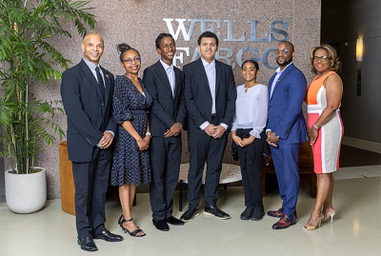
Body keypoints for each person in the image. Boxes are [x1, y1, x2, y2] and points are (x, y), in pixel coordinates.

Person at [61, 33, 123, 252]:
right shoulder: (71, 75)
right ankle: (84, 234)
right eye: (91, 45)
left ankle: (99, 227)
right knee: (83, 193)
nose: (95, 49)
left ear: (103, 48)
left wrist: (110, 132)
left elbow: (112, 110)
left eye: (99, 45)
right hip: (85, 144)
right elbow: (74, 112)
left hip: (105, 143)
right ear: (82, 47)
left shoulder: (108, 76)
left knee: (99, 190)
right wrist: (98, 138)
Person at [180, 31, 237, 222]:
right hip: (199, 128)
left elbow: (231, 99)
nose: (208, 47)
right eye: (205, 44)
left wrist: (223, 125)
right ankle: (193, 206)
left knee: (214, 168)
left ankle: (211, 205)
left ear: (217, 47)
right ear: (199, 47)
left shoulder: (225, 69)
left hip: (220, 125)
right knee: (195, 167)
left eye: (212, 44)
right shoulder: (189, 69)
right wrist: (205, 125)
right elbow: (188, 99)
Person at [143, 33, 186, 231]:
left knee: (171, 175)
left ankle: (168, 213)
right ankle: (158, 215)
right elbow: (153, 103)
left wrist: (178, 124)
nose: (170, 48)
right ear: (158, 50)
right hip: (160, 134)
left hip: (175, 133)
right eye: (165, 46)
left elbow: (183, 102)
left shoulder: (180, 73)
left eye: (172, 45)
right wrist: (171, 124)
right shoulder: (150, 72)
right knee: (158, 176)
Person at [111, 43, 153, 237]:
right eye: (128, 60)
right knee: (126, 179)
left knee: (135, 176)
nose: (133, 63)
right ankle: (128, 221)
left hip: (142, 134)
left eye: (136, 58)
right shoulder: (120, 82)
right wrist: (137, 138)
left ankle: (126, 216)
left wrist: (147, 135)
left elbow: (146, 112)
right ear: (122, 63)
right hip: (127, 136)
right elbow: (120, 114)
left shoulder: (143, 82)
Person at [266, 41, 308, 230]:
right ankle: (286, 207)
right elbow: (271, 107)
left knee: (290, 174)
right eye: (279, 51)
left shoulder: (296, 76)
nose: (281, 54)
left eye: (285, 51)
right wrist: (268, 130)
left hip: (288, 135)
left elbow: (293, 109)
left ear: (293, 53)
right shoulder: (275, 76)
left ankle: (290, 214)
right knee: (282, 174)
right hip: (273, 134)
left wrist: (279, 133)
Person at [303, 44, 344, 230]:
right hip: (317, 126)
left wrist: (316, 126)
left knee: (322, 172)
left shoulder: (333, 78)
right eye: (316, 58)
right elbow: (308, 101)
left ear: (331, 60)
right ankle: (328, 208)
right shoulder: (316, 79)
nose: (319, 61)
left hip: (326, 127)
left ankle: (316, 214)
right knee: (323, 170)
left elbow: (332, 106)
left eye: (323, 58)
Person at [231, 60, 268, 221]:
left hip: (255, 134)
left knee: (254, 171)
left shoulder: (261, 89)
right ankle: (249, 205)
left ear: (257, 71)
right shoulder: (238, 90)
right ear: (241, 72)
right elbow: (234, 114)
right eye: (245, 69)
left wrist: (253, 136)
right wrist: (233, 133)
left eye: (251, 69)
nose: (247, 72)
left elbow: (262, 114)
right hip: (239, 133)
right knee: (244, 171)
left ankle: (258, 206)